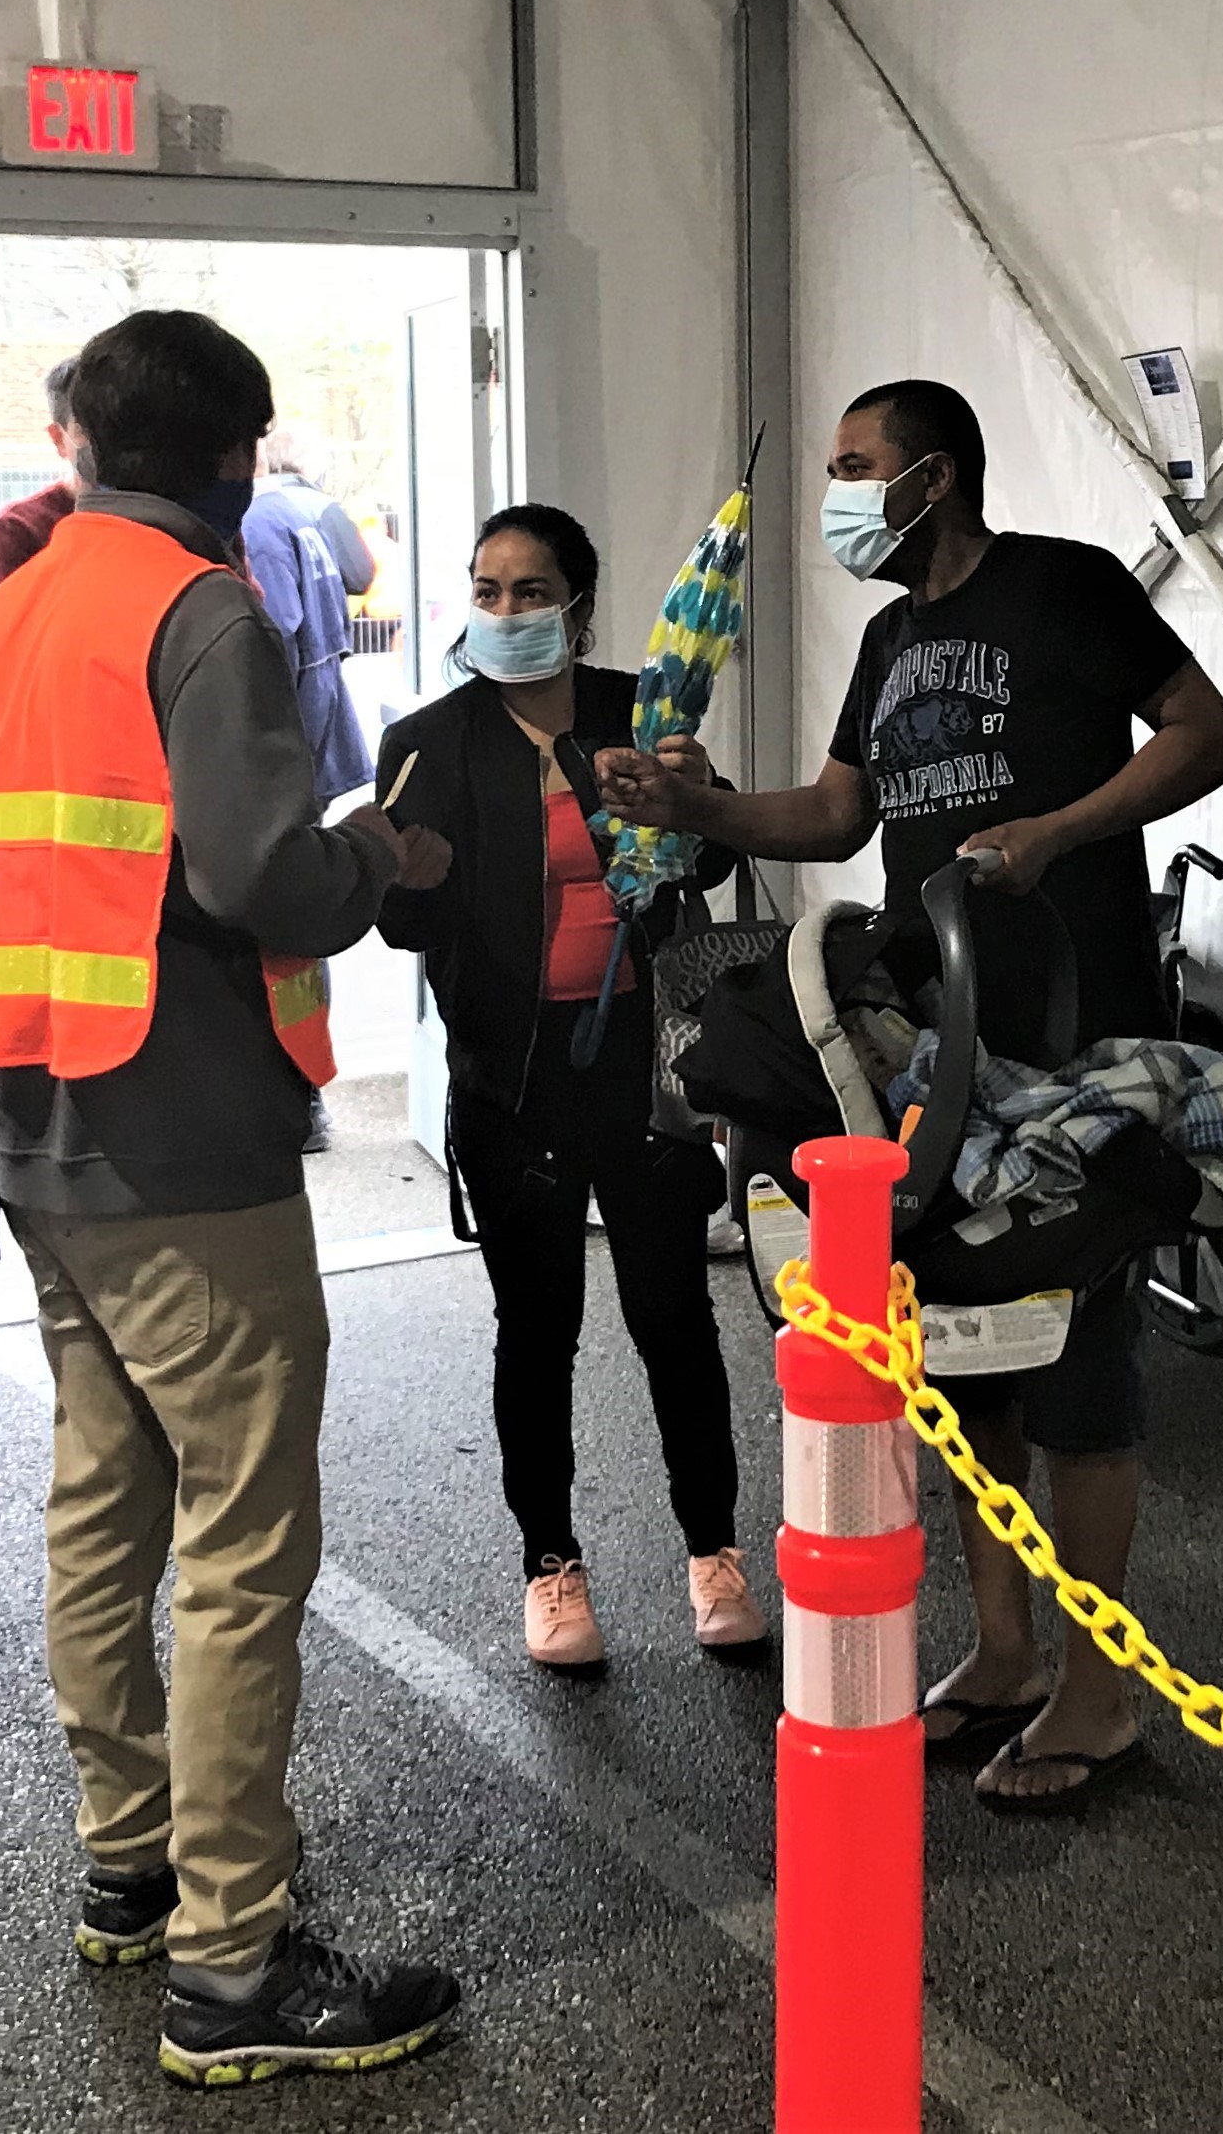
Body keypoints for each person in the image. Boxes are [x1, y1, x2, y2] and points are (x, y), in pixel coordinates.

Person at [0, 307, 462, 2084]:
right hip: (187, 1136)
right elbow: (269, 880)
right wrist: (383, 845)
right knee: (240, 1540)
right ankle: (232, 1967)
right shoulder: (197, 607)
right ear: (235, 458)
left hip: (38, 1126)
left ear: (81, 441)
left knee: (103, 1500)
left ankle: (131, 1864)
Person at [595, 379, 1223, 1809]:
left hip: (1075, 1036)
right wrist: (695, 808)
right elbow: (837, 814)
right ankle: (1005, 1653)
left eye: (854, 466)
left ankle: (1099, 1693)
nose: (835, 492)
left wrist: (1062, 831)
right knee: (973, 1354)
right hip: (938, 1044)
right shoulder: (890, 636)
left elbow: (1211, 736)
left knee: (1083, 1365)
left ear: (933, 476)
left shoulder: (1066, 589)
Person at [375, 504, 765, 1671]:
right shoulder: (428, 740)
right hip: (514, 1085)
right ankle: (551, 1566)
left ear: (579, 607)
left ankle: (715, 1553)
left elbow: (720, 847)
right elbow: (400, 922)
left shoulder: (643, 707)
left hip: (649, 1074)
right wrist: (412, 878)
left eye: (532, 591)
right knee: (536, 1333)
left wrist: (692, 800)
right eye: (488, 590)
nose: (507, 612)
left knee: (676, 1320)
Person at [241, 427, 377, 1157]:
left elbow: (275, 633)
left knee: (280, 916)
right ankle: (306, 1083)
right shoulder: (316, 512)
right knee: (299, 917)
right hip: (322, 721)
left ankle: (296, 1091)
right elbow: (362, 574)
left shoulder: (258, 522)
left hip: (288, 733)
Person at [0, 355, 87, 586]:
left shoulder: (166, 518)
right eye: (88, 430)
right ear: (59, 438)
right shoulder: (18, 529)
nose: (106, 443)